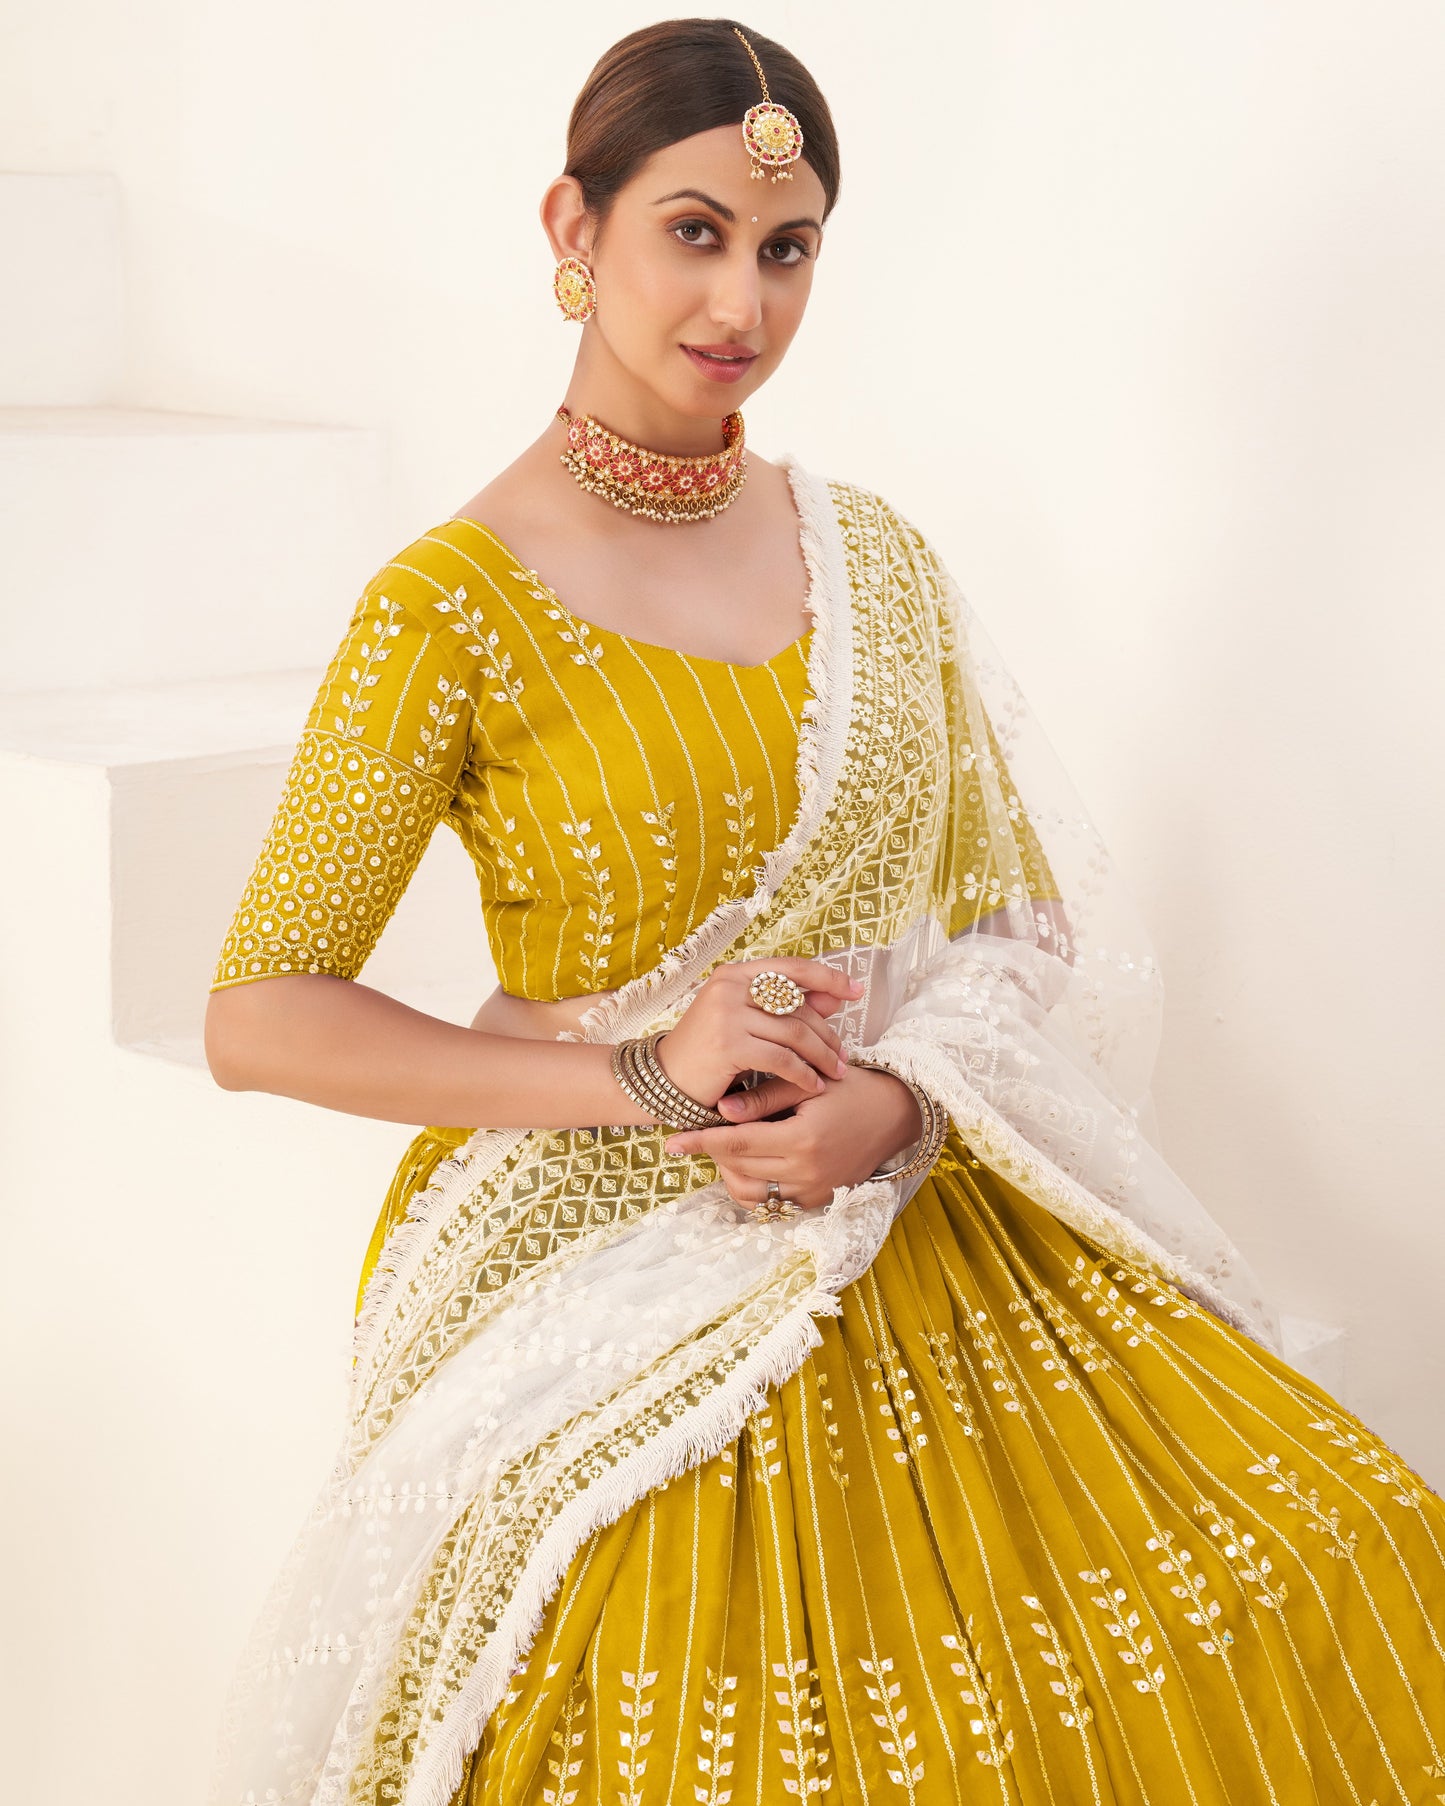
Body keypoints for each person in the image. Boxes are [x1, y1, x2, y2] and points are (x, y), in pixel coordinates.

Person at [203, 19, 1445, 1806]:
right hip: (608, 1226)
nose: (742, 302)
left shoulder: (866, 556)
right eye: (691, 231)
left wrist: (902, 1104)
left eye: (785, 250)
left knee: (1350, 1543)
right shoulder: (447, 609)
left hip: (914, 1185)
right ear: (575, 223)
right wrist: (649, 1073)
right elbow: (261, 1014)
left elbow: (1015, 926)